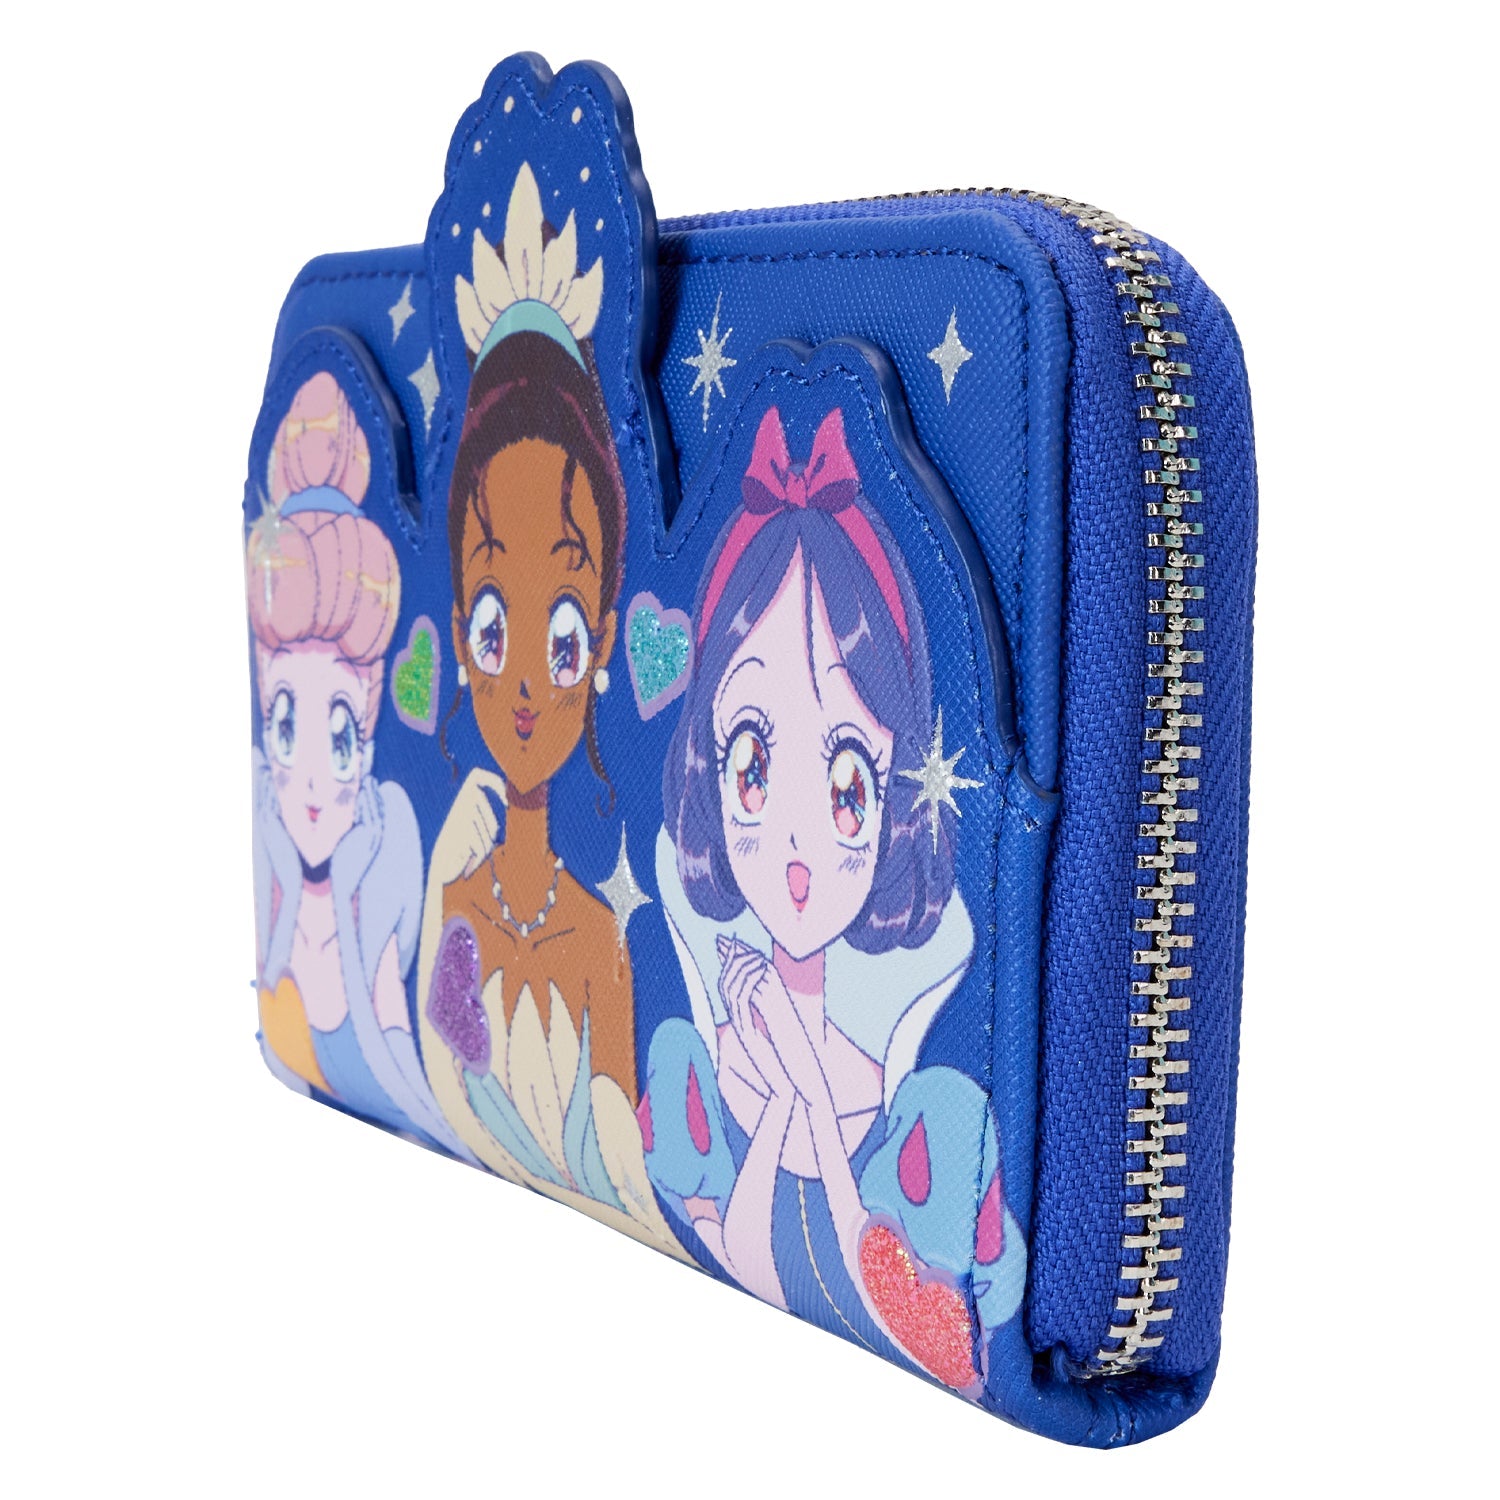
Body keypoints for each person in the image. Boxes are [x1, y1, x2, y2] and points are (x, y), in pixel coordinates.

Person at [642, 405, 1025, 1390]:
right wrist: (789, 1082)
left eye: (848, 780)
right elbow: (740, 1249)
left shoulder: (918, 1112)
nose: (798, 847)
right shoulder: (698, 1064)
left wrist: (803, 1084)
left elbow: (870, 1284)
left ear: (896, 793)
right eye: (752, 763)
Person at [247, 372, 465, 1156]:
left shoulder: (380, 880)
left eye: (339, 735)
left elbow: (404, 1054)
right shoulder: (293, 868)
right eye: (283, 724)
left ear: (367, 725)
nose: (310, 781)